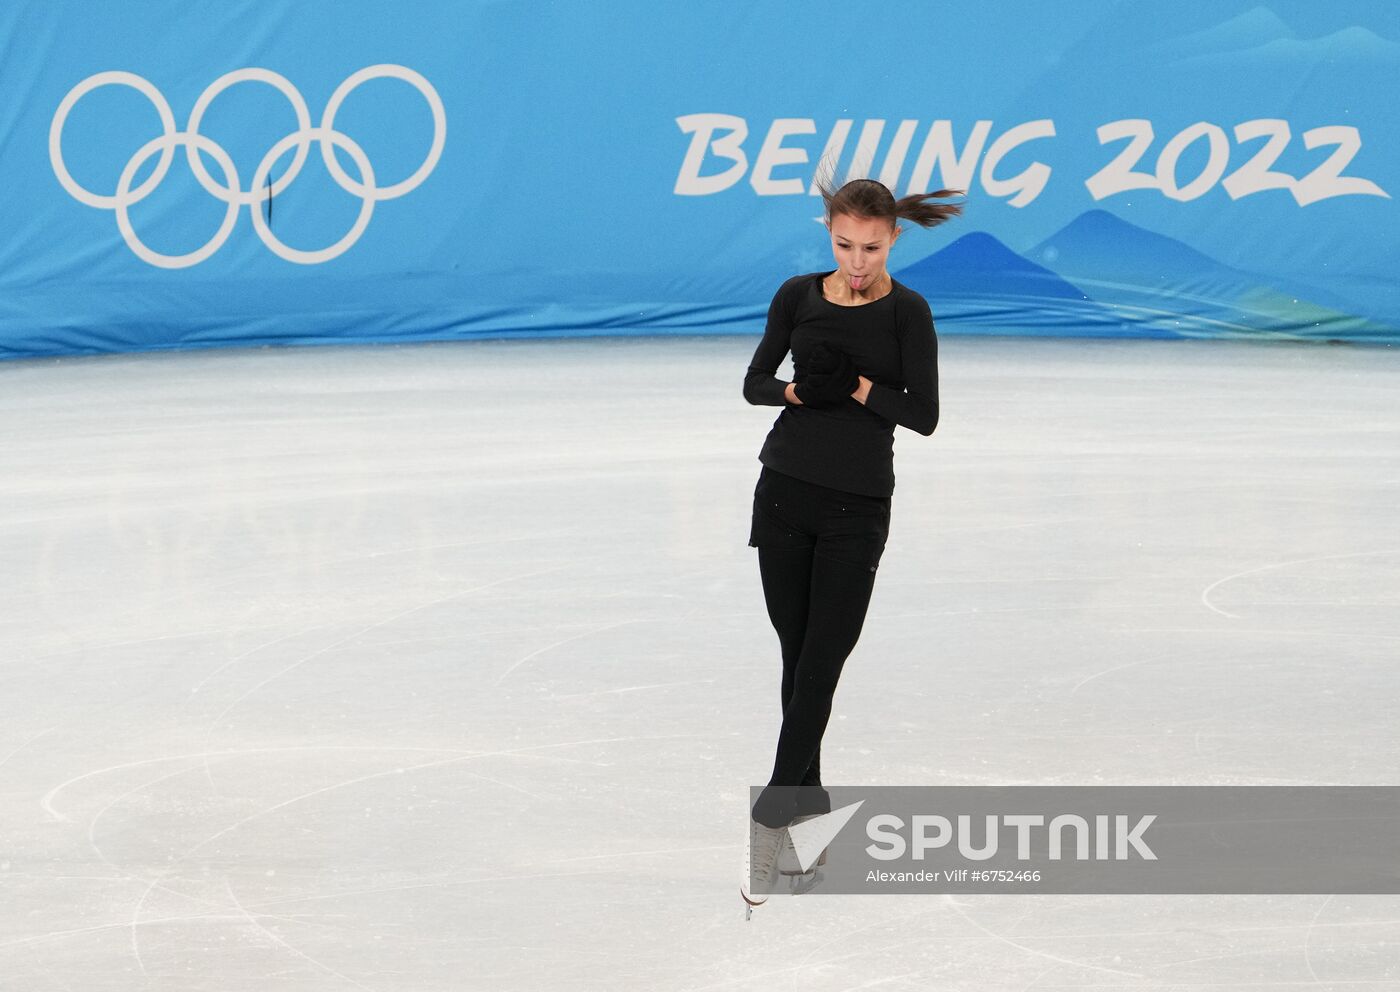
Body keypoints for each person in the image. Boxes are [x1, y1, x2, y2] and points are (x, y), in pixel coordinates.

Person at [739, 176, 964, 906]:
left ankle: (776, 808)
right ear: (827, 232)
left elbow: (925, 416)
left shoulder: (909, 312)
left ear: (894, 237)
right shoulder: (797, 296)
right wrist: (803, 392)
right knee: (797, 658)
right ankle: (808, 804)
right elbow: (754, 384)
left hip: (856, 509)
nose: (857, 260)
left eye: (871, 247)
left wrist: (861, 387)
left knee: (822, 667)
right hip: (782, 494)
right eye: (843, 245)